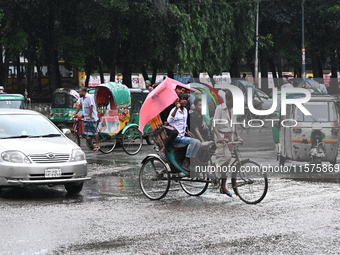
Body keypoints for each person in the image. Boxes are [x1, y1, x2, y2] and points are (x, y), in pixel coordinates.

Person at [213, 90, 243, 197]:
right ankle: (211, 169)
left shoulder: (233, 110)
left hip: (230, 137)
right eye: (233, 100)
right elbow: (215, 124)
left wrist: (238, 136)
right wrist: (219, 137)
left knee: (227, 163)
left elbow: (234, 126)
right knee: (227, 157)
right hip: (221, 137)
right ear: (228, 100)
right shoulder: (220, 108)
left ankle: (223, 186)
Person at [168, 93, 201, 171]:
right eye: (182, 99)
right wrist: (176, 108)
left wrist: (188, 131)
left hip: (183, 137)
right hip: (176, 139)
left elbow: (184, 123)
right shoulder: (174, 110)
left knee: (198, 142)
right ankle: (186, 162)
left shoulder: (186, 110)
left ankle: (192, 161)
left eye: (185, 99)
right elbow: (169, 120)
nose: (184, 101)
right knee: (193, 142)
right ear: (178, 101)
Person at [74, 87, 100, 151]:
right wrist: (75, 114)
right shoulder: (81, 98)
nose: (79, 93)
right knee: (84, 128)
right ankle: (86, 137)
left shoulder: (89, 97)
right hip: (86, 117)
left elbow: (91, 107)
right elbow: (79, 106)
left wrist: (90, 116)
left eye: (80, 92)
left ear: (83, 92)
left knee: (94, 131)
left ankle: (97, 144)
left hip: (92, 117)